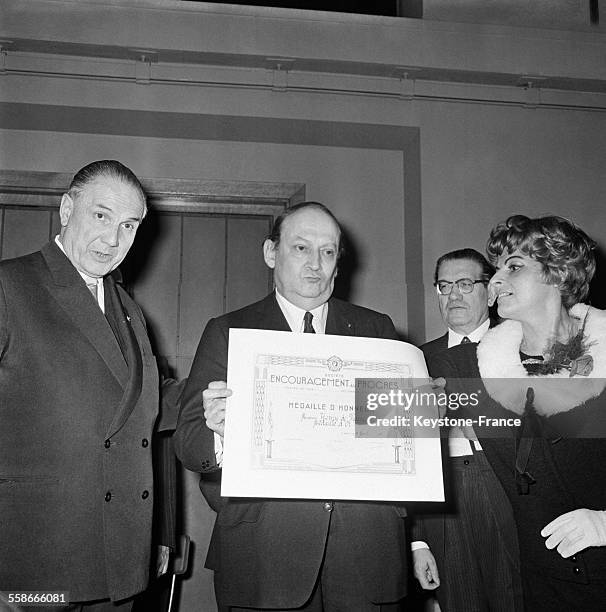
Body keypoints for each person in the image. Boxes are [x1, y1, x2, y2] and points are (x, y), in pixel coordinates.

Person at [174, 202, 409, 612]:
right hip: (264, 553)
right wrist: (219, 433)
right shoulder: (228, 332)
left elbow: (400, 445)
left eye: (328, 251)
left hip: (365, 554)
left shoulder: (378, 330)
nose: (316, 264)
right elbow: (190, 445)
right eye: (301, 248)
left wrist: (420, 419)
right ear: (271, 253)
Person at [0, 160, 175, 610]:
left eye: (129, 225)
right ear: (65, 209)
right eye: (101, 216)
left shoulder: (130, 309)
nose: (114, 239)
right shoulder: (8, 285)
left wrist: (222, 394)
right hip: (31, 558)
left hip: (113, 557)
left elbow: (144, 401)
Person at [433, 215, 606, 610]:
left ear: (559, 274)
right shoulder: (467, 370)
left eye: (514, 267)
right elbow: (379, 425)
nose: (495, 282)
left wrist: (604, 523)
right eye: (496, 270)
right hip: (536, 587)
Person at [411, 248, 522, 611]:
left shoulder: (523, 351)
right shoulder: (414, 359)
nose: (453, 294)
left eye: (464, 283)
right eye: (444, 286)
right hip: (442, 509)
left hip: (508, 498)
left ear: (490, 292)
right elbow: (402, 459)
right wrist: (418, 542)